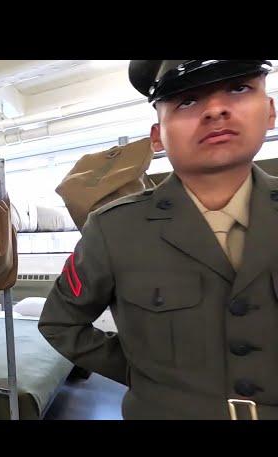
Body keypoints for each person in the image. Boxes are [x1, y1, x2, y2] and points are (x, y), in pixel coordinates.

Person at [38, 60, 278, 419]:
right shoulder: (114, 229)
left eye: (239, 89)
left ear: (270, 111)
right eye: (186, 101)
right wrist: (145, 374)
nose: (215, 110)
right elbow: (60, 322)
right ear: (156, 137)